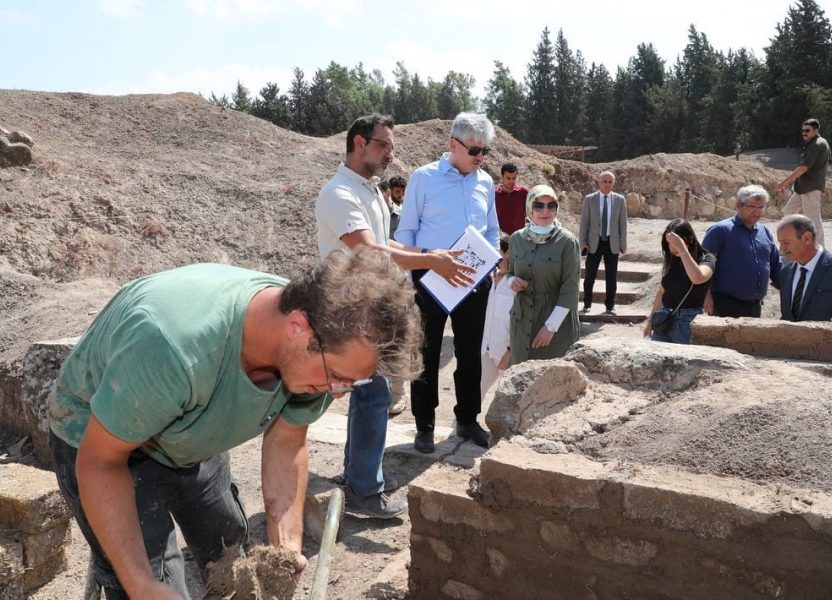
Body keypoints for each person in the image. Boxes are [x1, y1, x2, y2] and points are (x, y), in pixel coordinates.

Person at [48, 248, 423, 598]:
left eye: (350, 383)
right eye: (337, 377)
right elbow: (100, 462)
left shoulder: (318, 346)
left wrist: (285, 547)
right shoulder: (174, 347)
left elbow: (288, 440)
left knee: (229, 549)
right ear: (298, 326)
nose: (337, 393)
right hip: (106, 442)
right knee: (149, 583)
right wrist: (139, 583)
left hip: (191, 430)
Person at [315, 114, 472, 516]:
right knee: (372, 396)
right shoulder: (339, 194)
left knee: (371, 396)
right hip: (353, 310)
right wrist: (429, 260)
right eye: (383, 144)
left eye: (390, 144)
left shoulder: (368, 191)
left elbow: (382, 242)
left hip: (373, 305)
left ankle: (357, 481)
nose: (390, 152)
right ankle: (365, 492)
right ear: (358, 144)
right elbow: (368, 250)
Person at [396, 112, 501, 453]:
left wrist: (491, 263)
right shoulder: (423, 179)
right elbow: (405, 232)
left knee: (469, 354)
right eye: (474, 151)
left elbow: (491, 229)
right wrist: (413, 275)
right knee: (425, 351)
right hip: (429, 276)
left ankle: (468, 419)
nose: (480, 158)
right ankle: (424, 425)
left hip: (473, 279)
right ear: (453, 145)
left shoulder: (484, 182)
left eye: (485, 151)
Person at [507, 184, 581, 364]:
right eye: (538, 205)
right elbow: (510, 273)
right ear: (529, 207)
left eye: (551, 206)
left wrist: (551, 327)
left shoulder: (567, 241)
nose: (545, 211)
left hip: (555, 323)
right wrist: (513, 281)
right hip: (522, 321)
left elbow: (570, 287)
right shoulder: (516, 239)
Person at [702, 184, 782, 317]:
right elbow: (702, 265)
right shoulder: (720, 231)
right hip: (725, 305)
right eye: (752, 207)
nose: (757, 211)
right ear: (739, 205)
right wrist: (705, 295)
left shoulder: (765, 232)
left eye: (761, 207)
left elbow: (775, 265)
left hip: (755, 307)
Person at [776, 214, 832, 323]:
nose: (781, 248)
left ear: (807, 238)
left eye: (786, 243)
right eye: (780, 243)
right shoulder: (786, 272)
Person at [643, 219, 715, 344]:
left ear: (690, 239)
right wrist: (650, 322)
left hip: (688, 321)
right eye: (669, 244)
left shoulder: (706, 258)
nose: (671, 248)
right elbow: (662, 292)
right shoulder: (673, 259)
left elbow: (698, 278)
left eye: (675, 243)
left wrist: (681, 248)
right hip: (664, 319)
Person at [775, 118, 830, 246]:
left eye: (807, 130)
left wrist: (784, 182)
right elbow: (822, 167)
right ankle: (791, 243)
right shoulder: (816, 143)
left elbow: (804, 168)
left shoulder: (816, 144)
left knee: (813, 219)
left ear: (816, 130)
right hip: (804, 188)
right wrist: (822, 187)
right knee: (788, 212)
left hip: (810, 188)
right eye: (803, 130)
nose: (804, 133)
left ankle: (819, 249)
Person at [579, 170, 628, 316]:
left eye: (610, 182)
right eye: (604, 181)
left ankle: (610, 306)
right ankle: (587, 304)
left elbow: (623, 224)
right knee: (589, 276)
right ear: (599, 182)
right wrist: (582, 242)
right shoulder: (590, 199)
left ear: (613, 183)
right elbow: (584, 223)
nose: (607, 184)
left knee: (611, 276)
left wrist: (623, 243)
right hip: (594, 242)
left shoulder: (620, 200)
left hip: (612, 243)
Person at [480, 232, 515, 401]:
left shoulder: (516, 283)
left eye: (497, 251)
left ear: (507, 253)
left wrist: (510, 353)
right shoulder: (486, 278)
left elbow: (521, 321)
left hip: (507, 352)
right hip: (485, 349)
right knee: (472, 397)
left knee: (510, 401)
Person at [495, 163, 529, 235]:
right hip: (500, 238)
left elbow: (530, 214)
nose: (511, 181)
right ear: (502, 177)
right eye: (508, 178)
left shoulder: (523, 192)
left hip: (520, 237)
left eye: (514, 178)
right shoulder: (495, 195)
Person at [388, 175, 407, 240]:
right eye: (397, 191)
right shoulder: (386, 206)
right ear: (390, 191)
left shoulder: (406, 205)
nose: (401, 194)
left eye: (403, 191)